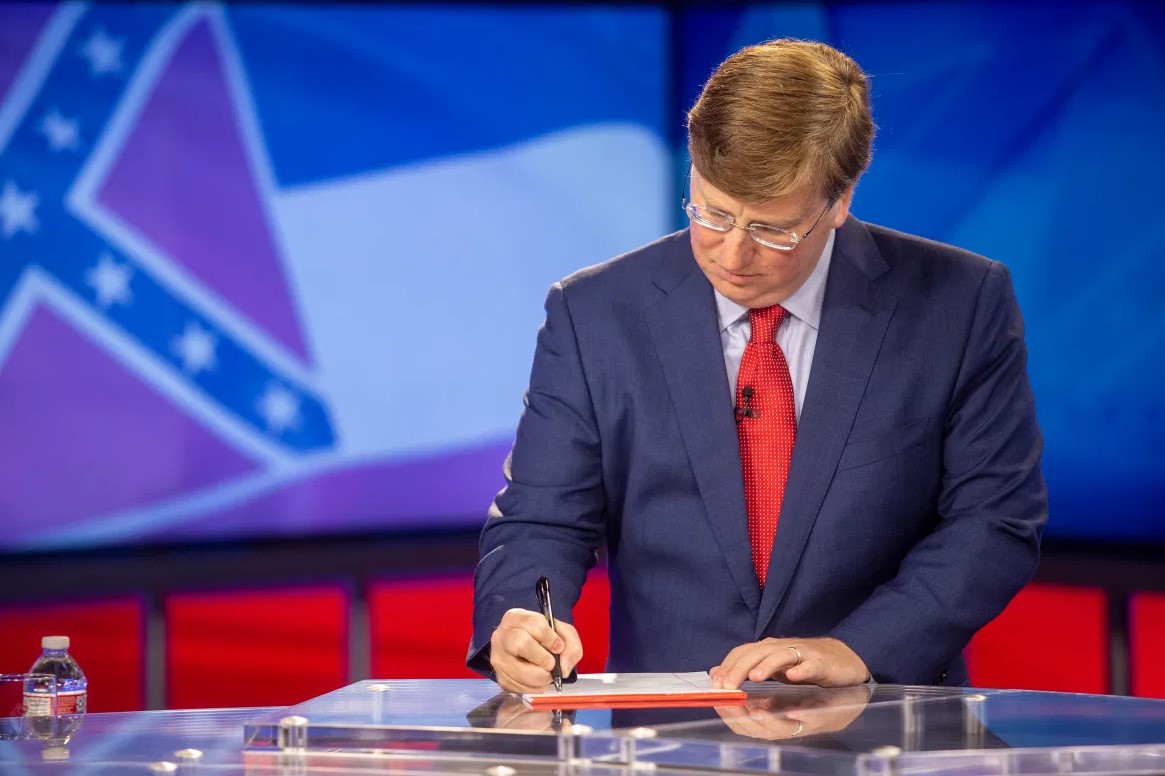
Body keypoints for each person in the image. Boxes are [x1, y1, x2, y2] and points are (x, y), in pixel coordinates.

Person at [468, 38, 1047, 694]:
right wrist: (523, 616)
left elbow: (993, 520)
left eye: (772, 229)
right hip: (668, 729)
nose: (733, 254)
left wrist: (860, 649)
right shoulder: (594, 313)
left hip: (887, 716)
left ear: (840, 200)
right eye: (713, 214)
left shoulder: (958, 304)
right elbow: (542, 517)